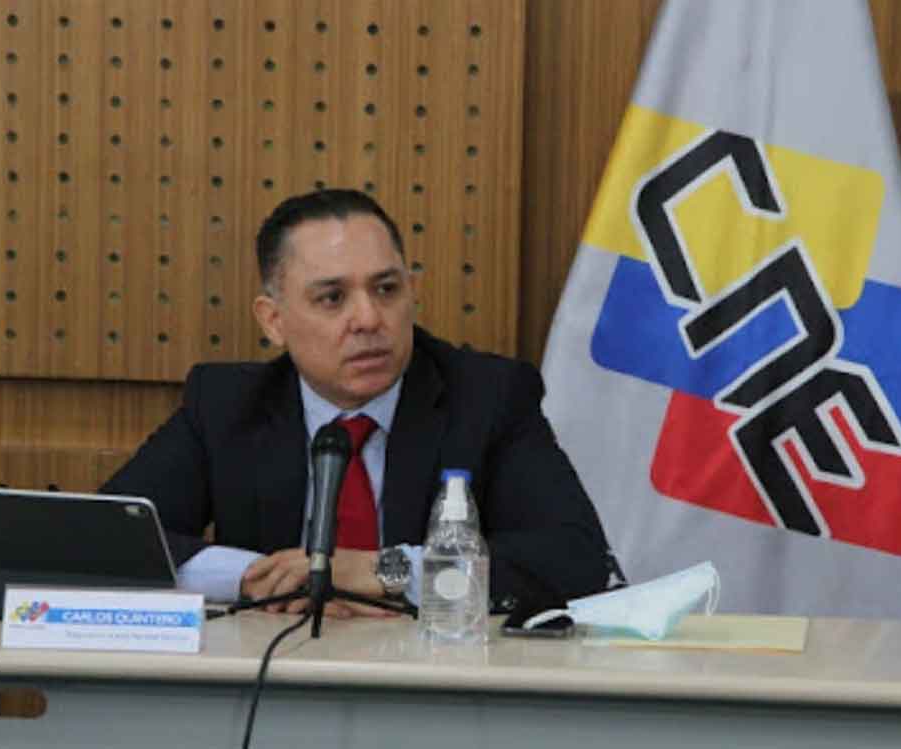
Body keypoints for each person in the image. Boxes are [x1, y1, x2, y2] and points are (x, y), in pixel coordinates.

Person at [101, 189, 624, 618]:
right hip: (271, 681)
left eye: (386, 289)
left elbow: (574, 557)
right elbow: (107, 540)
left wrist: (381, 571)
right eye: (332, 298)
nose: (370, 319)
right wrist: (256, 577)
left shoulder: (487, 396)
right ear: (274, 320)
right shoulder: (227, 404)